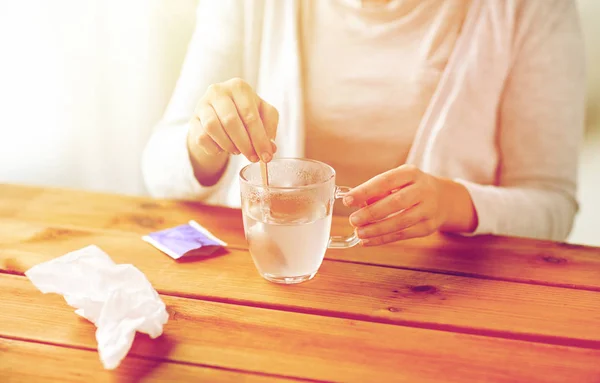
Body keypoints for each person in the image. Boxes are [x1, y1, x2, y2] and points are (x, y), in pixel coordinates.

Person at [142, 0, 585, 245]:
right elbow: (160, 171)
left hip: (443, 292)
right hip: (273, 278)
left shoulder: (533, 9)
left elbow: (552, 207)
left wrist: (452, 204)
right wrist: (205, 140)